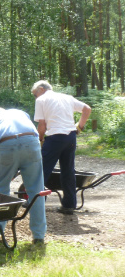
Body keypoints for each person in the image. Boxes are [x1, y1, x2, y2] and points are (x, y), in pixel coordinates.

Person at [0, 107, 46, 244]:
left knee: (1, 191)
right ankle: (39, 236)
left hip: (7, 144)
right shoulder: (20, 113)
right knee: (37, 190)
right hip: (32, 142)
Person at [31, 80, 91, 215]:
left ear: (41, 89)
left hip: (54, 138)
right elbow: (87, 109)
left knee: (42, 169)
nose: (36, 97)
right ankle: (69, 205)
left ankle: (35, 203)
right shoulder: (66, 97)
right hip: (70, 137)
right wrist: (79, 127)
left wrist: (40, 139)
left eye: (35, 94)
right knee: (68, 170)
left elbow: (42, 125)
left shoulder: (41, 100)